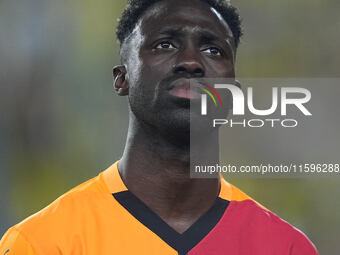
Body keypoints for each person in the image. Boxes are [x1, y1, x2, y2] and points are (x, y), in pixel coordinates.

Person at [0, 0, 318, 254]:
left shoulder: (284, 247)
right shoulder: (43, 243)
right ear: (122, 78)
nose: (191, 62)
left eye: (213, 50)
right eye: (165, 45)